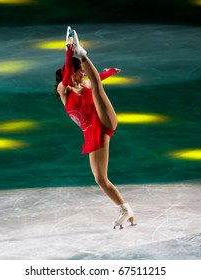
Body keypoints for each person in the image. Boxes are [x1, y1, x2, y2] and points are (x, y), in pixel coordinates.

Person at [55, 26, 135, 229]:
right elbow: (66, 78)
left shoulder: (87, 85)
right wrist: (67, 51)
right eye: (79, 72)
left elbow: (98, 78)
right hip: (92, 134)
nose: (83, 75)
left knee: (96, 87)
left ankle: (83, 54)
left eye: (83, 71)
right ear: (71, 74)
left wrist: (109, 72)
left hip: (105, 121)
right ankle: (126, 210)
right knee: (100, 179)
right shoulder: (63, 90)